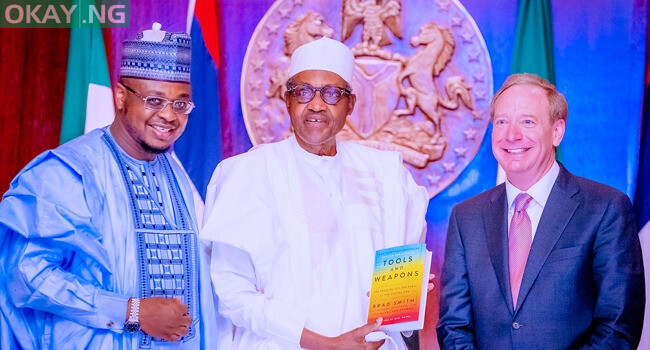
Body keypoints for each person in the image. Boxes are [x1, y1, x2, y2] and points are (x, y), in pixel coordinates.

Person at [0, 24, 222, 349]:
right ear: (120, 96)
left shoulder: (175, 175)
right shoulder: (68, 171)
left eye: (180, 104)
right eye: (154, 99)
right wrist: (132, 311)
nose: (169, 115)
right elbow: (26, 273)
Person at [201, 37, 429, 349]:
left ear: (350, 104)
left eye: (332, 93)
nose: (317, 105)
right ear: (287, 100)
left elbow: (399, 299)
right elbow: (231, 294)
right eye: (303, 92)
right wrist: (325, 343)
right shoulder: (246, 173)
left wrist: (409, 291)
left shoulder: (387, 175)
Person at [437, 73, 645, 349]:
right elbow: (454, 326)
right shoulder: (466, 217)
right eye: (501, 122)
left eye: (527, 121)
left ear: (557, 132)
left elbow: (618, 326)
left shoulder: (605, 208)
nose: (512, 135)